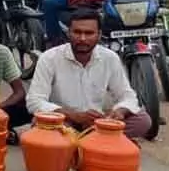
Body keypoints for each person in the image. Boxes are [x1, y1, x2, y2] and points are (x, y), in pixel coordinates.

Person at [27, 9, 155, 140]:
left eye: (89, 33)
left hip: (97, 123)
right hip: (65, 122)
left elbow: (128, 96)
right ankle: (99, 143)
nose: (82, 38)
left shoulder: (110, 58)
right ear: (68, 33)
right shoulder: (49, 58)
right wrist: (74, 116)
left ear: (99, 35)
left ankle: (84, 143)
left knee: (142, 120)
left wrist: (119, 112)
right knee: (40, 124)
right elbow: (34, 101)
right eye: (77, 32)